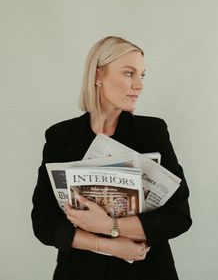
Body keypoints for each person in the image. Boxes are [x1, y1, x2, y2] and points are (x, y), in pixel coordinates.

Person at [31, 36, 192, 280]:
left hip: (146, 271)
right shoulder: (60, 137)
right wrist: (109, 245)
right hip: (79, 272)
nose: (139, 85)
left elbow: (178, 217)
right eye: (129, 73)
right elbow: (43, 222)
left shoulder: (152, 132)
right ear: (98, 76)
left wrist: (108, 226)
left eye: (142, 75)